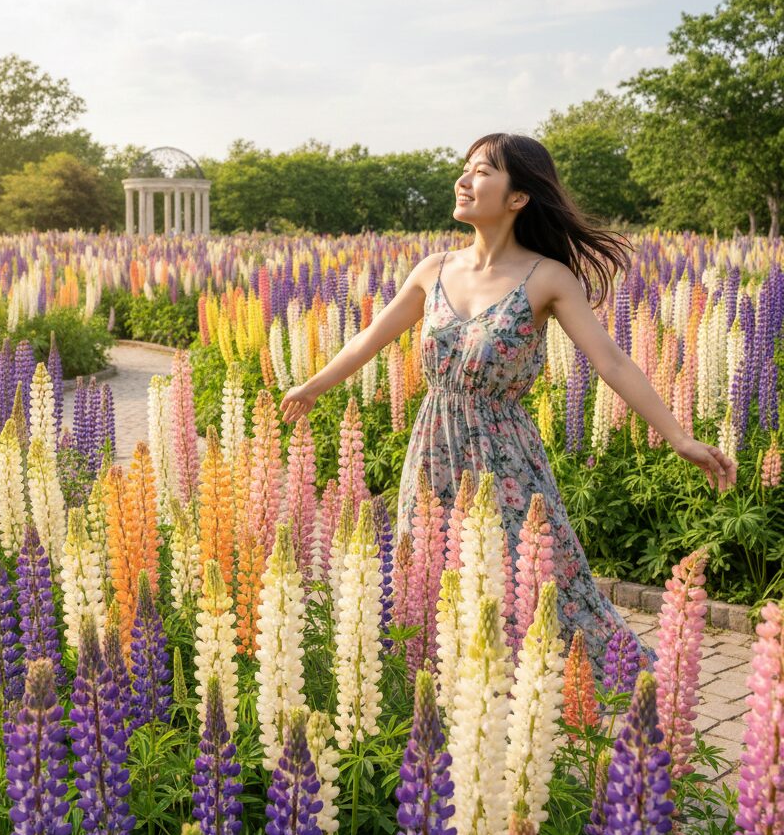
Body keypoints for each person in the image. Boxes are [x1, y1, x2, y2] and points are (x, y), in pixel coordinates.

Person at [279, 131, 738, 680]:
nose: (464, 180)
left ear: (518, 196)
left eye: (482, 171)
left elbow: (612, 363)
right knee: (428, 578)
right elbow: (369, 338)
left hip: (506, 461)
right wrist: (311, 386)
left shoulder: (547, 277)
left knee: (535, 585)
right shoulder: (434, 269)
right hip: (432, 451)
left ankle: (573, 700)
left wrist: (680, 438)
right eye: (466, 168)